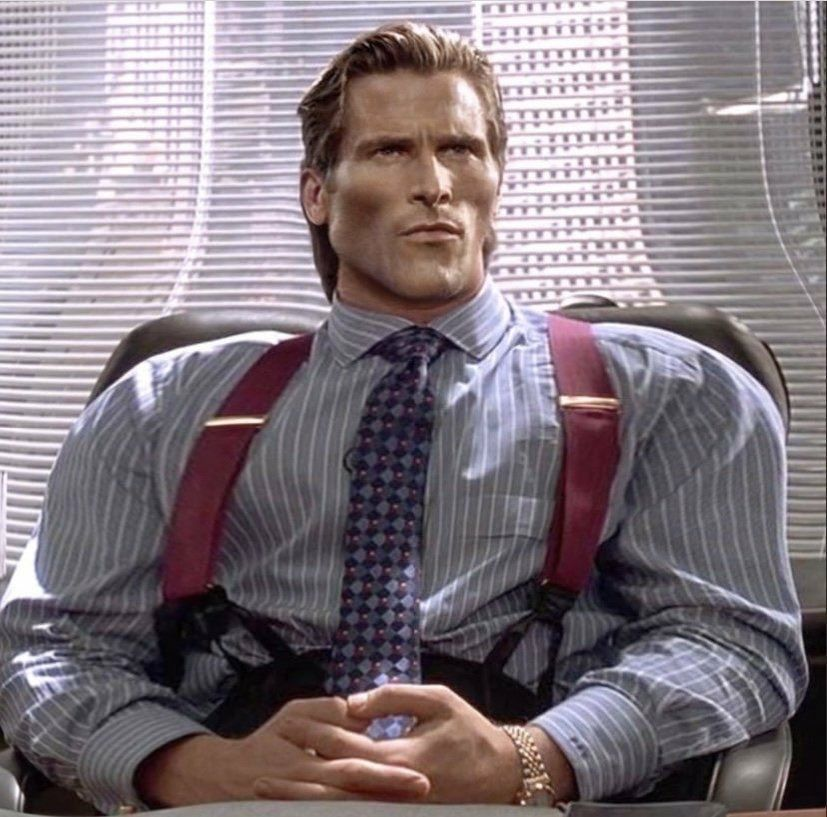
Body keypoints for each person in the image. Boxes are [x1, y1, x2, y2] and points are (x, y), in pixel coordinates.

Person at [0, 21, 807, 815]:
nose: (435, 183)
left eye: (460, 149)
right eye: (390, 151)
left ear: (495, 178)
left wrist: (535, 756)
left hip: (537, 791)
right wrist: (188, 766)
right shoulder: (158, 404)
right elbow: (52, 645)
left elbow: (730, 639)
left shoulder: (675, 390)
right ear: (316, 192)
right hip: (237, 789)